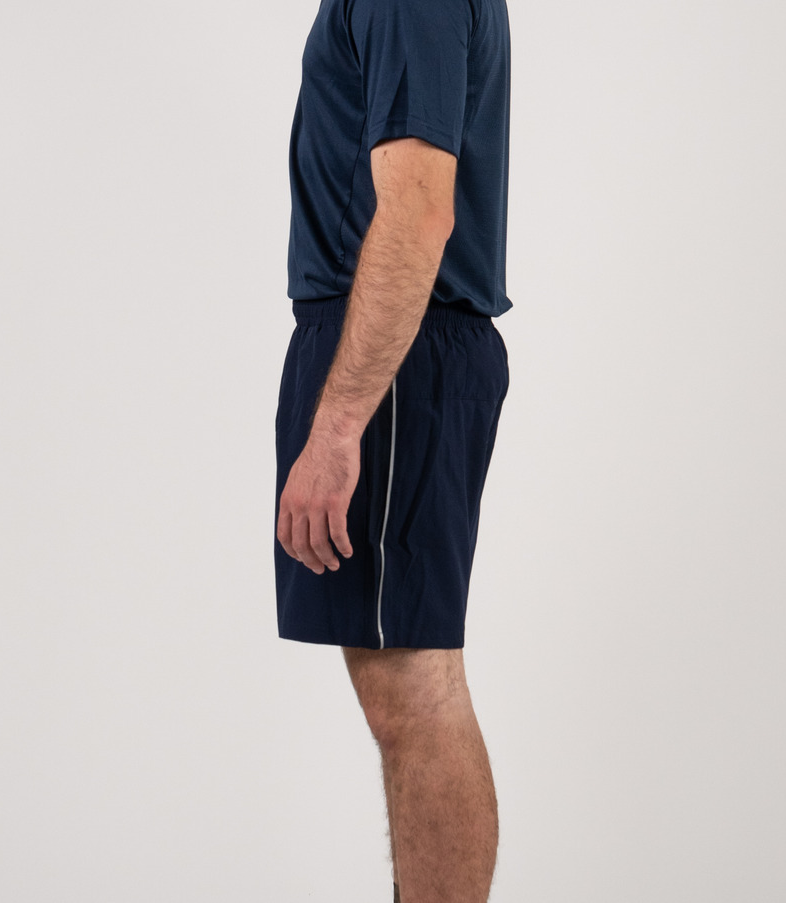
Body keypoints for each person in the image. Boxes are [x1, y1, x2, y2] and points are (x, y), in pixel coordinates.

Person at [273, 0, 512, 899]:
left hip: (390, 359)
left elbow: (416, 211)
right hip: (388, 351)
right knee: (404, 689)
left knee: (411, 690)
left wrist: (338, 425)